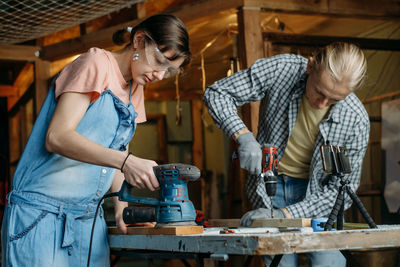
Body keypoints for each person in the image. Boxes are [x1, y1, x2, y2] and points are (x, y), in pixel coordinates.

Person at [1, 14, 191, 267]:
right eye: (159, 61)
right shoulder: (96, 63)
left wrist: (122, 207)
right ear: (139, 40)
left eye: (169, 70)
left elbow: (114, 153)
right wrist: (127, 161)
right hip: (41, 215)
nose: (159, 74)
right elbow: (57, 137)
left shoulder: (136, 88)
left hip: (89, 220)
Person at [203, 42, 369, 266]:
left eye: (335, 100)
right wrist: (242, 135)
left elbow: (341, 191)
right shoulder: (282, 69)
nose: (322, 104)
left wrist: (287, 215)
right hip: (271, 188)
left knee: (328, 262)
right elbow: (217, 93)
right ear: (310, 67)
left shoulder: (356, 120)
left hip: (319, 200)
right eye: (319, 91)